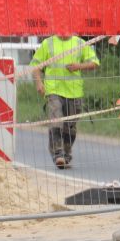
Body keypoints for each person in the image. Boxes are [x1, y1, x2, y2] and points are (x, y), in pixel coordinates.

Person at [31, 33, 99, 168]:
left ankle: (66, 154)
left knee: (70, 126)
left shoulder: (80, 43)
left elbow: (95, 63)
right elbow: (36, 65)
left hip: (74, 92)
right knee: (56, 122)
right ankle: (58, 154)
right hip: (53, 91)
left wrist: (79, 66)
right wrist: (39, 83)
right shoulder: (48, 43)